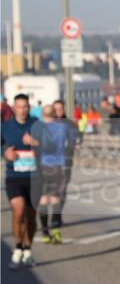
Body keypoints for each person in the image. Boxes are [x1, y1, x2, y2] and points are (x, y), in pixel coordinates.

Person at [2, 94, 38, 268]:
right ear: (14, 108)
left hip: (34, 178)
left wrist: (34, 142)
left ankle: (28, 249)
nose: (22, 110)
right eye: (19, 106)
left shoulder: (36, 125)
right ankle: (17, 247)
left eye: (25, 106)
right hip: (14, 177)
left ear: (29, 108)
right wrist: (5, 153)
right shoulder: (6, 127)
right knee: (19, 211)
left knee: (31, 216)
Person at [30, 105, 71, 245]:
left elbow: (33, 146)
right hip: (58, 166)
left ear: (42, 114)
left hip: (42, 166)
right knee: (55, 199)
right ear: (54, 114)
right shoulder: (63, 127)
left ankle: (45, 233)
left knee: (43, 199)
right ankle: (56, 231)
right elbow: (69, 142)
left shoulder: (38, 128)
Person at [51, 99, 80, 232]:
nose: (58, 112)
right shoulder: (46, 124)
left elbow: (77, 139)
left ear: (64, 110)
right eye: (55, 109)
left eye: (60, 109)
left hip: (65, 162)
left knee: (61, 191)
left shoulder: (70, 124)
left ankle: (56, 215)